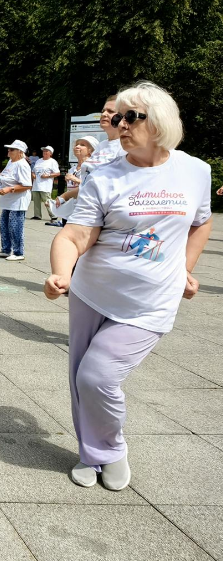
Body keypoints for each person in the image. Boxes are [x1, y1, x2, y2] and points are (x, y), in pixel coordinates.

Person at [44, 81, 212, 492]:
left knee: (98, 376)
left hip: (152, 302)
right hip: (92, 291)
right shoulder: (105, 177)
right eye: (116, 117)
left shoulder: (195, 171)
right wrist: (60, 272)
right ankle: (90, 453)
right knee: (80, 376)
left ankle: (111, 449)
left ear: (159, 121)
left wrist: (183, 267)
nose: (119, 125)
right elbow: (74, 236)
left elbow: (201, 221)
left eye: (130, 117)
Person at [0, 140, 33, 261]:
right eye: (8, 149)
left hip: (18, 201)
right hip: (7, 201)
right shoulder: (10, 162)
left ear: (20, 152)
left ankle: (18, 252)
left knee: (15, 226)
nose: (9, 151)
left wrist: (9, 189)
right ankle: (6, 249)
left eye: (12, 149)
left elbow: (27, 185)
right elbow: (4, 178)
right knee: (4, 225)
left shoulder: (22, 165)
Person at [48, 136, 98, 227]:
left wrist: (77, 180)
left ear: (91, 150)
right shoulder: (72, 169)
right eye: (77, 144)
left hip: (84, 212)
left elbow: (94, 186)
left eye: (82, 145)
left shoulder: (93, 167)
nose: (77, 147)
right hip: (69, 211)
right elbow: (70, 191)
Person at [30, 145, 60, 221]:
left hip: (45, 185)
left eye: (47, 151)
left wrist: (48, 175)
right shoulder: (39, 160)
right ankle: (37, 215)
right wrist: (33, 174)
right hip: (36, 184)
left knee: (47, 200)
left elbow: (57, 173)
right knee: (36, 200)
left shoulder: (53, 162)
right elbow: (33, 170)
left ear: (51, 153)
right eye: (44, 151)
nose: (44, 152)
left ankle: (53, 215)